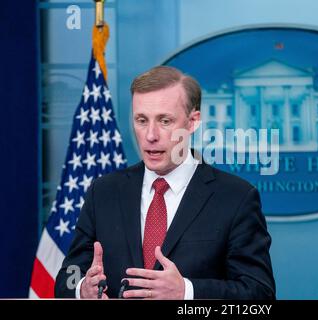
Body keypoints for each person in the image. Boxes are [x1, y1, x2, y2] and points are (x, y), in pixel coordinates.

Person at [54, 66, 275, 299]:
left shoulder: (236, 198)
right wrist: (82, 289)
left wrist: (186, 292)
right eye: (141, 120)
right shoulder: (103, 192)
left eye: (165, 121)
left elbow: (260, 295)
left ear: (193, 122)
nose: (150, 135)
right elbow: (68, 276)